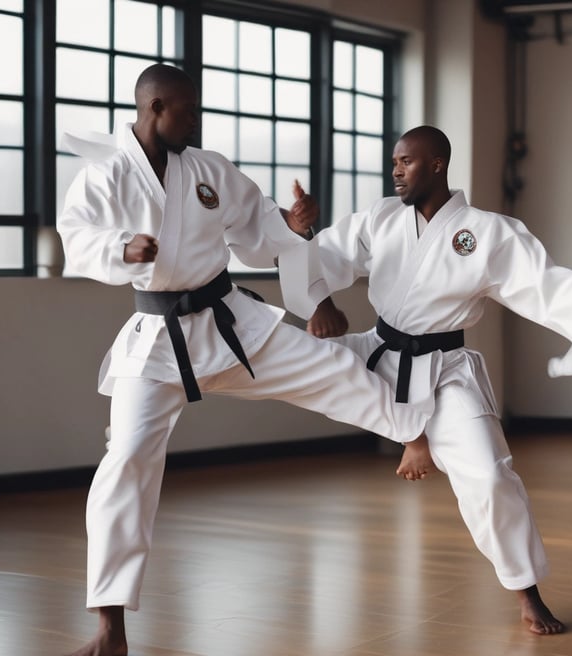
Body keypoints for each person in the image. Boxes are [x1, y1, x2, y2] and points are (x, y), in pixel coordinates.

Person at [57, 64, 429, 656]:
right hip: (157, 338)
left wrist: (291, 222)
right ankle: (110, 627)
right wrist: (119, 248)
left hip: (229, 323)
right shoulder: (104, 176)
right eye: (187, 109)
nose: (196, 119)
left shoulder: (206, 169)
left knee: (327, 367)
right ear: (155, 108)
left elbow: (256, 226)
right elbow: (75, 237)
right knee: (124, 463)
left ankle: (413, 431)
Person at [278, 125, 572, 635]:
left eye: (406, 162)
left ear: (437, 164)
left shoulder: (486, 231)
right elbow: (326, 259)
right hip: (378, 353)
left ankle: (527, 591)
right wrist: (300, 237)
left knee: (492, 479)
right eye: (394, 162)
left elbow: (539, 279)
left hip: (446, 369)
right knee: (282, 352)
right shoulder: (382, 218)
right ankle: (205, 361)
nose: (396, 171)